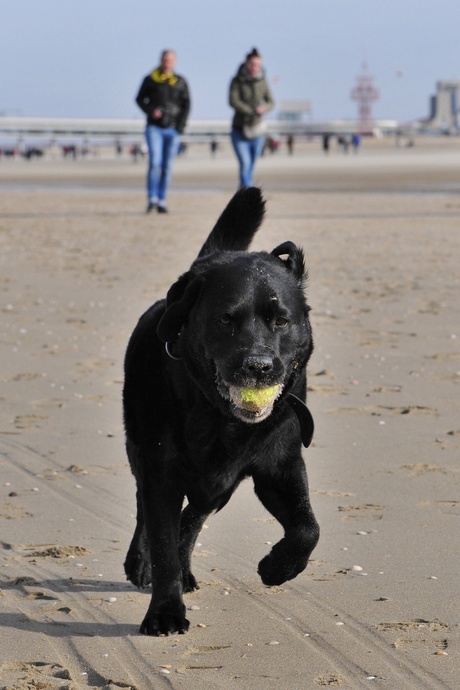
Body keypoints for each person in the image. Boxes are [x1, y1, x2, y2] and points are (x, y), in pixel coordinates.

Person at [135, 50, 190, 213]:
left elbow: (187, 105)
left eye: (171, 59)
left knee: (167, 166)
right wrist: (151, 110)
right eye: (165, 59)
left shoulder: (180, 81)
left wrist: (180, 126)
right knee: (155, 163)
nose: (168, 62)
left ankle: (162, 200)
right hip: (154, 127)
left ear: (175, 62)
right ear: (161, 60)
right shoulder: (150, 79)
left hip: (173, 129)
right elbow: (139, 99)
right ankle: (152, 198)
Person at [229, 48, 274, 188]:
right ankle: (246, 190)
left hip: (257, 130)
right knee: (245, 163)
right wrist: (250, 111)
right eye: (252, 64)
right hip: (239, 129)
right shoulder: (237, 80)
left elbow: (271, 101)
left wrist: (264, 109)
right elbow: (233, 101)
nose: (254, 67)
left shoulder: (263, 81)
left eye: (257, 64)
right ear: (246, 63)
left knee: (252, 164)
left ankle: (244, 188)